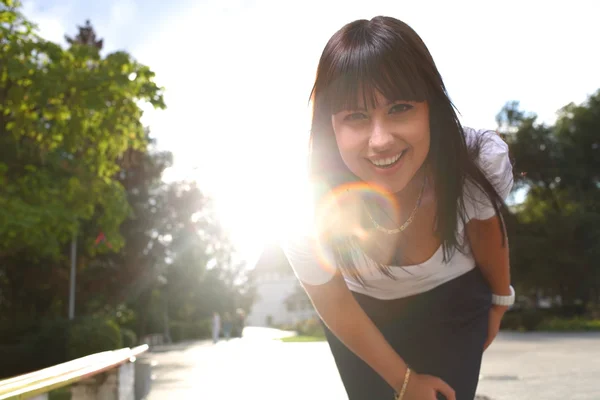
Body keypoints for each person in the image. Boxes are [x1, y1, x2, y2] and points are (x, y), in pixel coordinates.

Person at [281, 16, 515, 400]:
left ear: (430, 109)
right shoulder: (305, 208)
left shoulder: (474, 162)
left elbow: (487, 233)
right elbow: (333, 301)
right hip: (363, 316)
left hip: (454, 301)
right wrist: (405, 383)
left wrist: (500, 303)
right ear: (330, 127)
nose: (380, 141)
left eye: (400, 108)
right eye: (355, 116)